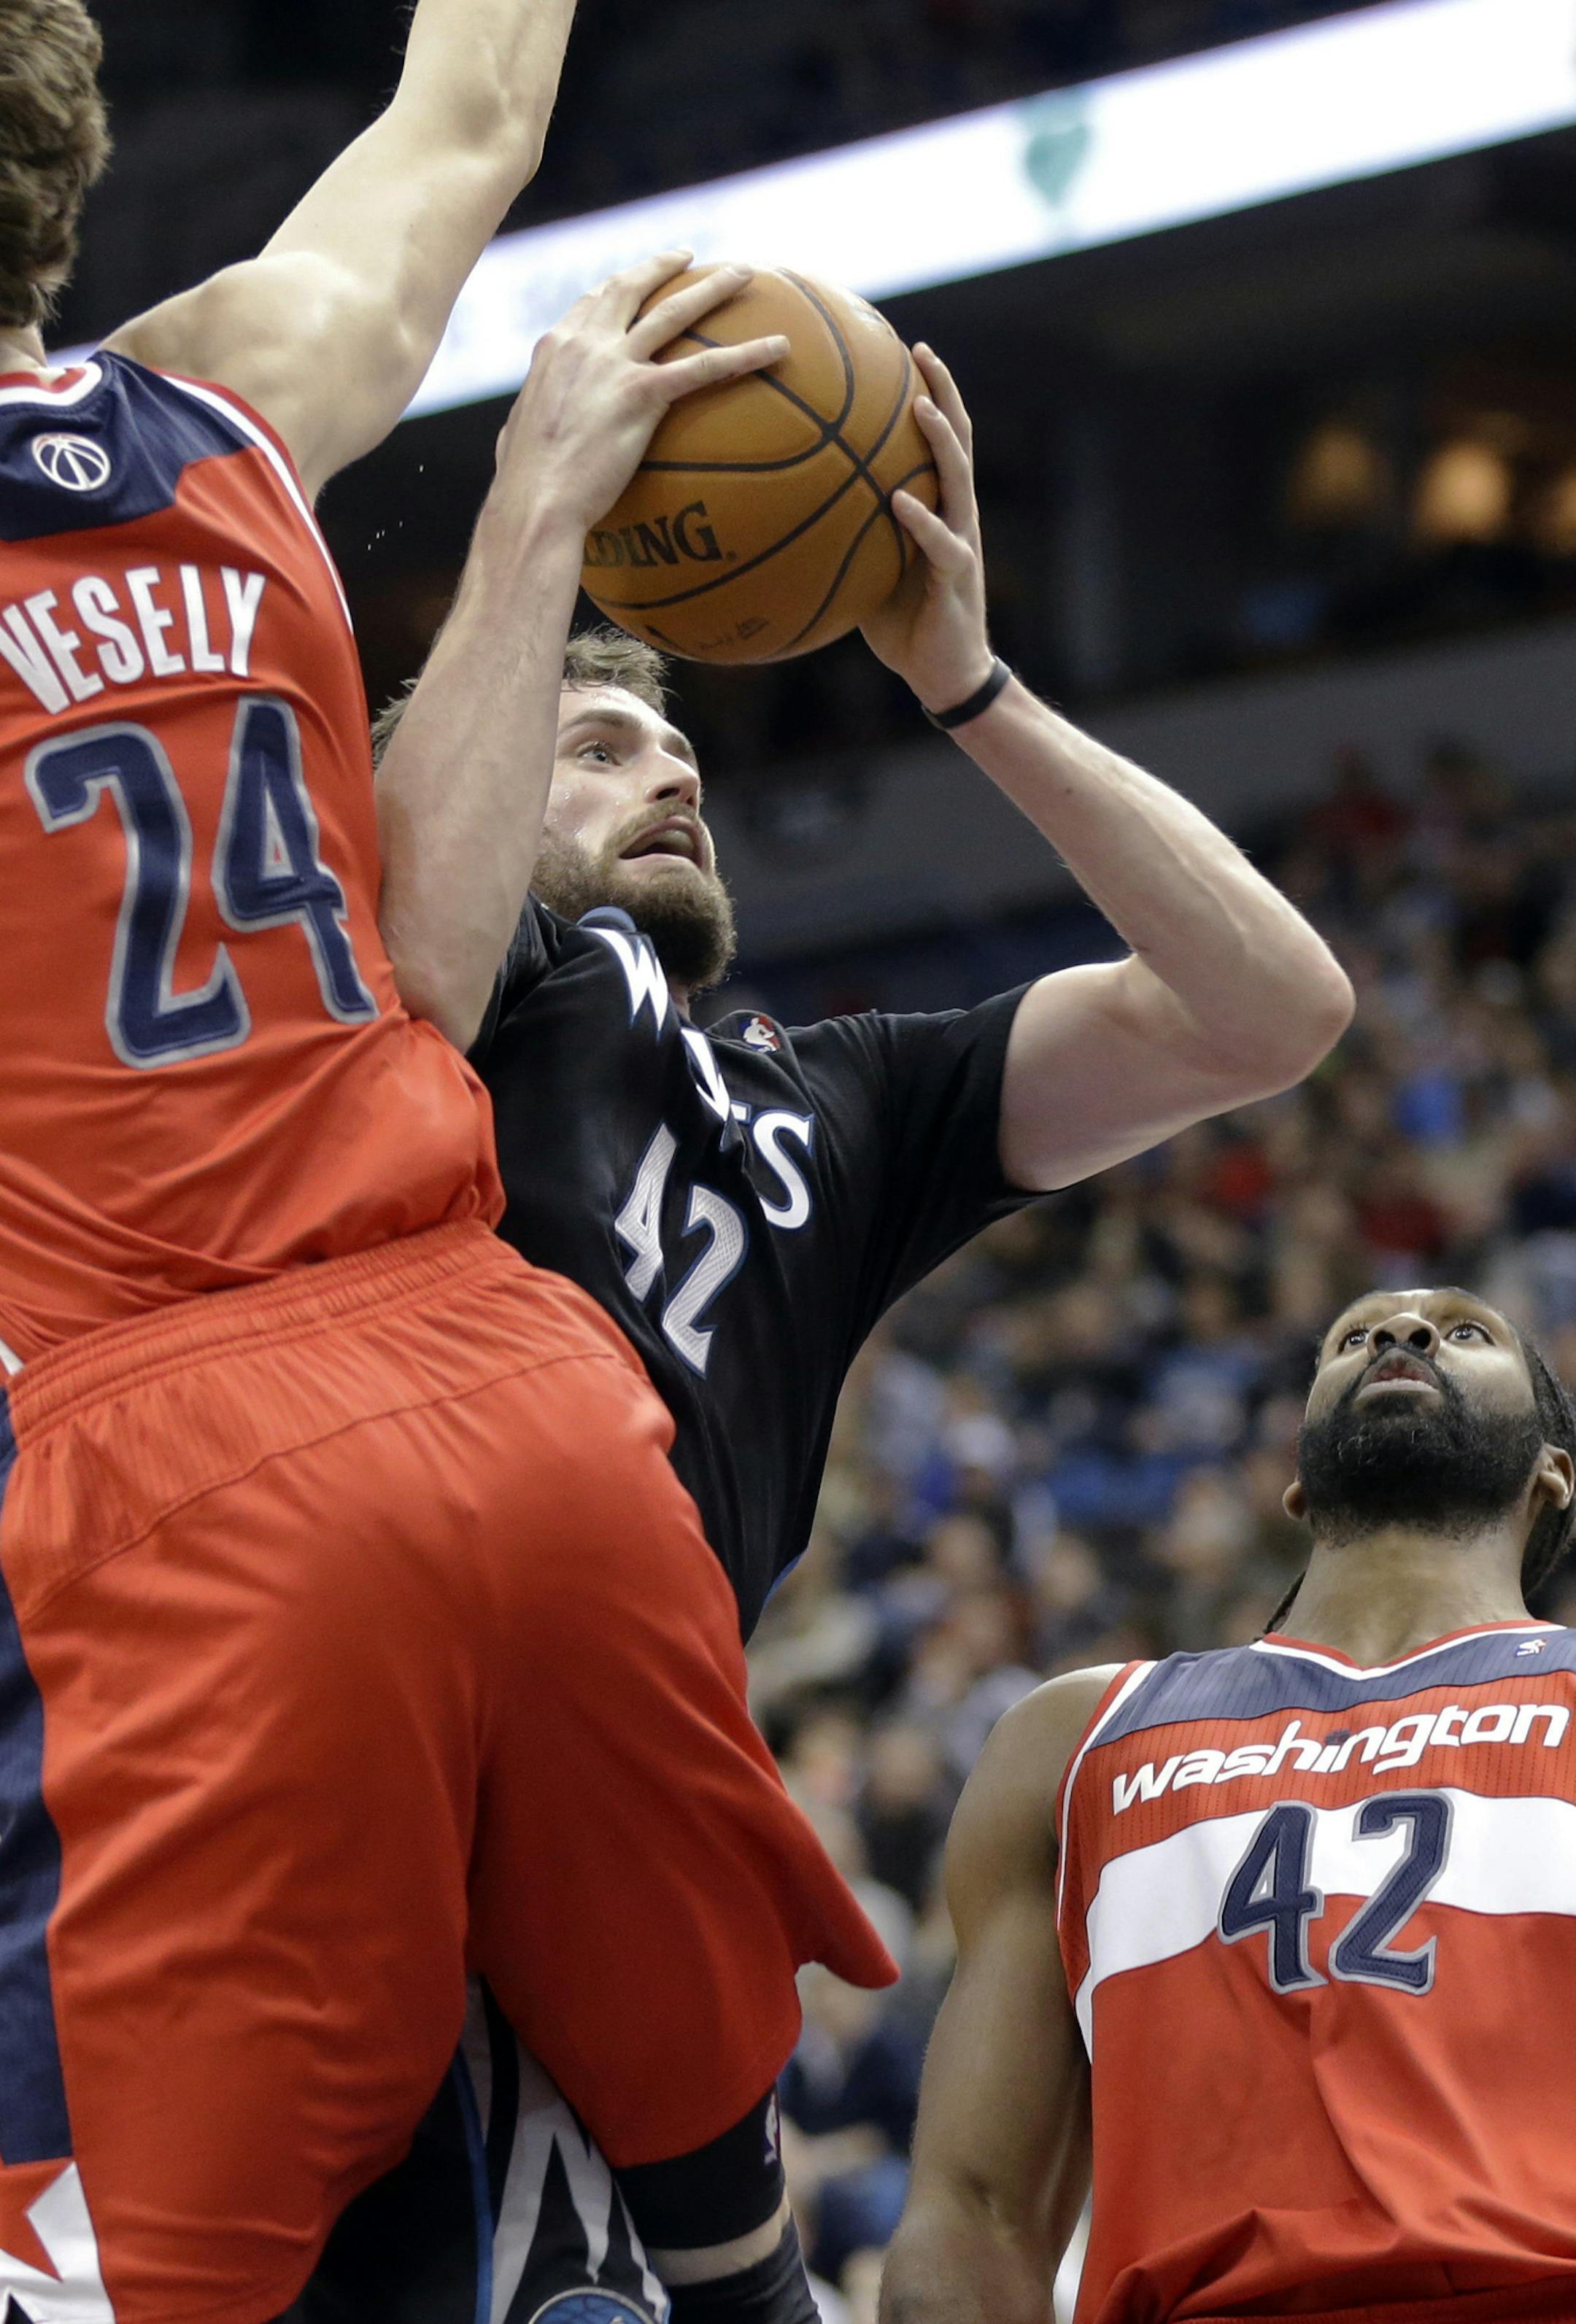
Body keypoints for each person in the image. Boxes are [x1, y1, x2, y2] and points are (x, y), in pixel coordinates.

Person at [325, 294, 1356, 2323]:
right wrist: (532, 543)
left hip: (614, 1800)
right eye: (601, 745)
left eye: (684, 744)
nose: (671, 771)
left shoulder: (840, 1097)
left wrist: (968, 687)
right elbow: (423, 944)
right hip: (378, 1726)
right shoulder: (418, 985)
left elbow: (1273, 1007)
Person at [0, 12, 894, 2321]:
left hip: (168, 1475)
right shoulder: (219, 402)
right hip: (508, 1376)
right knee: (715, 2230)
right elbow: (477, 110)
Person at [881, 1286, 1576, 2324]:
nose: (1402, 1333)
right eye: (1353, 1336)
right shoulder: (1076, 1737)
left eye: (1467, 1330)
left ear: (1550, 1474)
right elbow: (973, 2215)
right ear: (1296, 1477)